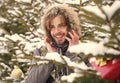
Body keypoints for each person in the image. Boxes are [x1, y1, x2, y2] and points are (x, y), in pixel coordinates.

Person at [25, 4, 81, 83]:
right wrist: (51, 56)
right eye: (52, 27)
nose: (57, 31)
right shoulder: (41, 51)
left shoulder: (84, 50)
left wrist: (72, 53)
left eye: (61, 25)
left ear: (70, 27)